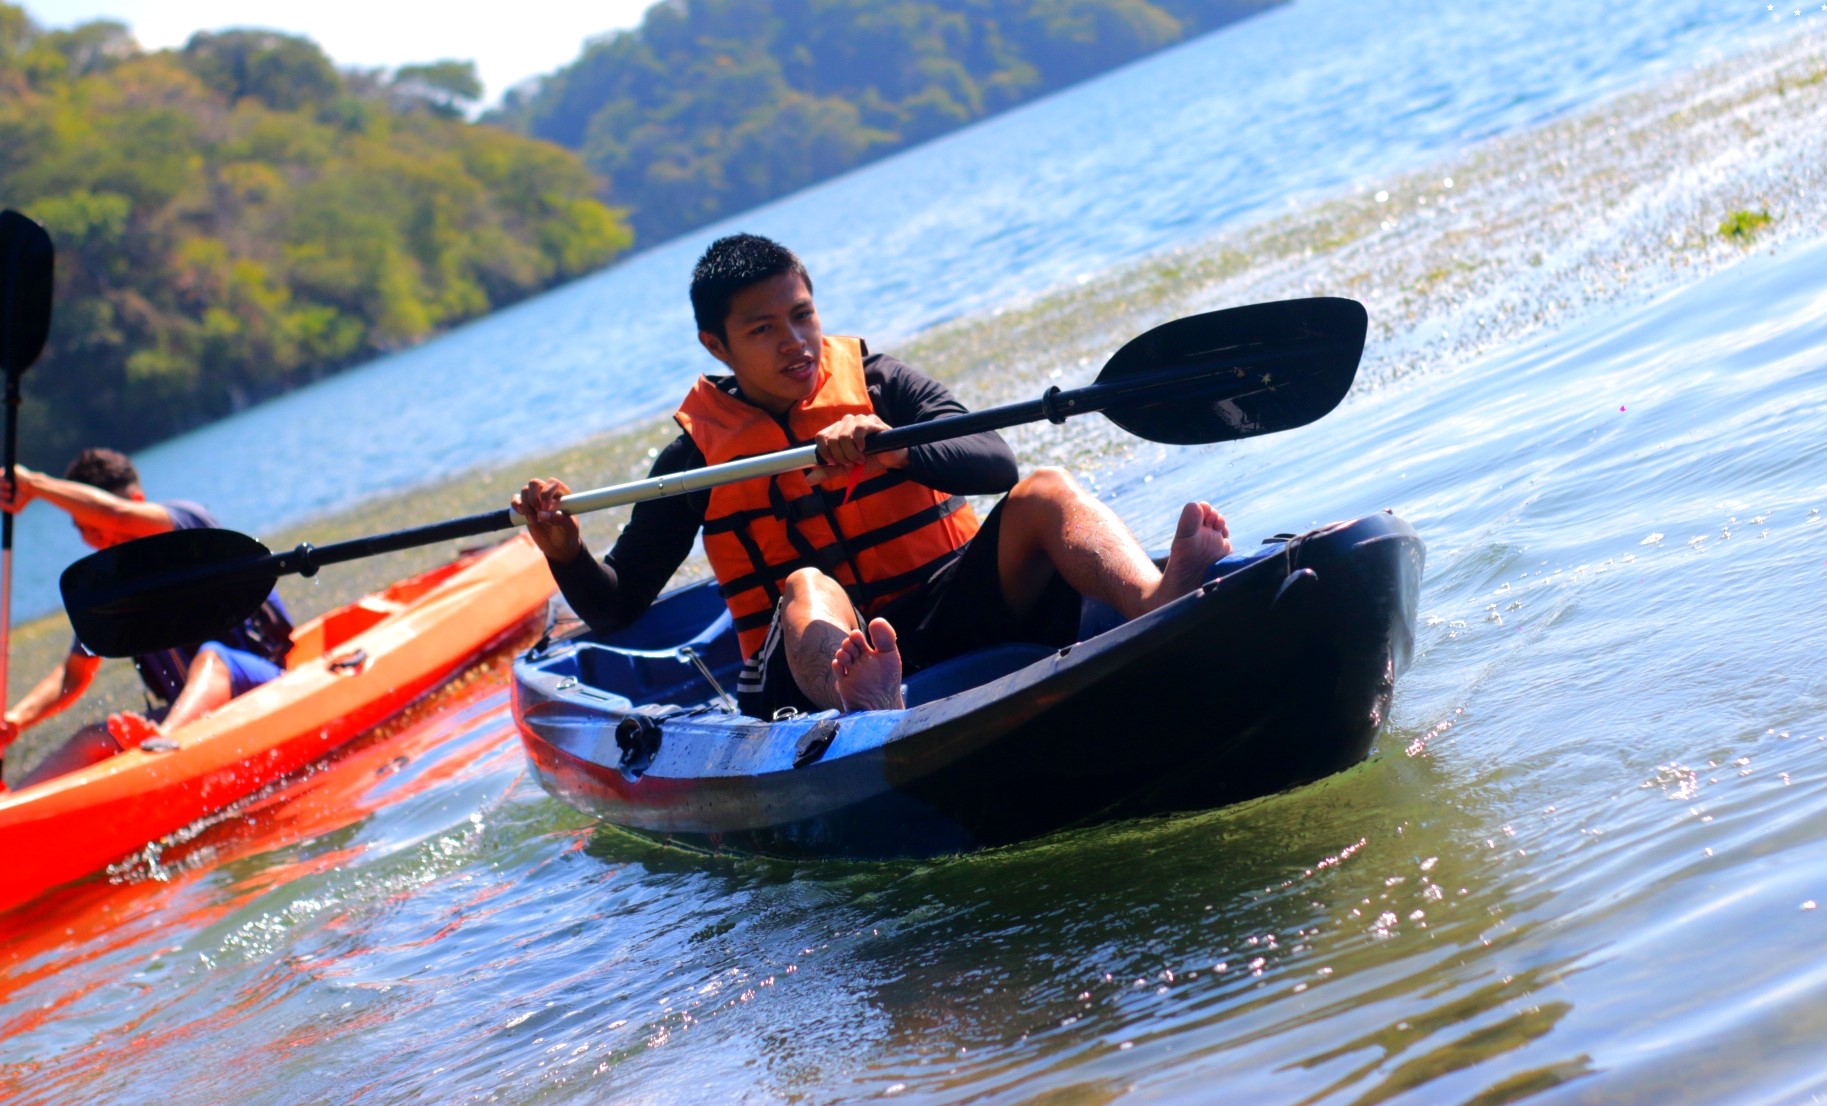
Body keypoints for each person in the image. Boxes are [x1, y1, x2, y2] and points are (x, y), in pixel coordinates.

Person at [513, 233, 1231, 718]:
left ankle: (1154, 595)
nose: (794, 343)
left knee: (1044, 489)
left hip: (946, 614)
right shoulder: (695, 457)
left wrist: (896, 448)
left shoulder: (882, 385)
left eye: (801, 316)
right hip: (811, 672)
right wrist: (566, 551)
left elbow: (994, 462)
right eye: (762, 330)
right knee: (805, 583)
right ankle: (861, 703)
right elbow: (617, 609)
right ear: (717, 345)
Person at [0, 448, 293, 788]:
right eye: (85, 529)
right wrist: (15, 719)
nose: (99, 537)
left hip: (261, 685)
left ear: (138, 500)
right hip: (188, 719)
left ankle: (159, 751)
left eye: (98, 523)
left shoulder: (187, 524)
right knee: (91, 737)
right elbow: (74, 674)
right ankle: (13, 807)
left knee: (212, 657)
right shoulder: (111, 587)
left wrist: (34, 485)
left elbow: (117, 514)